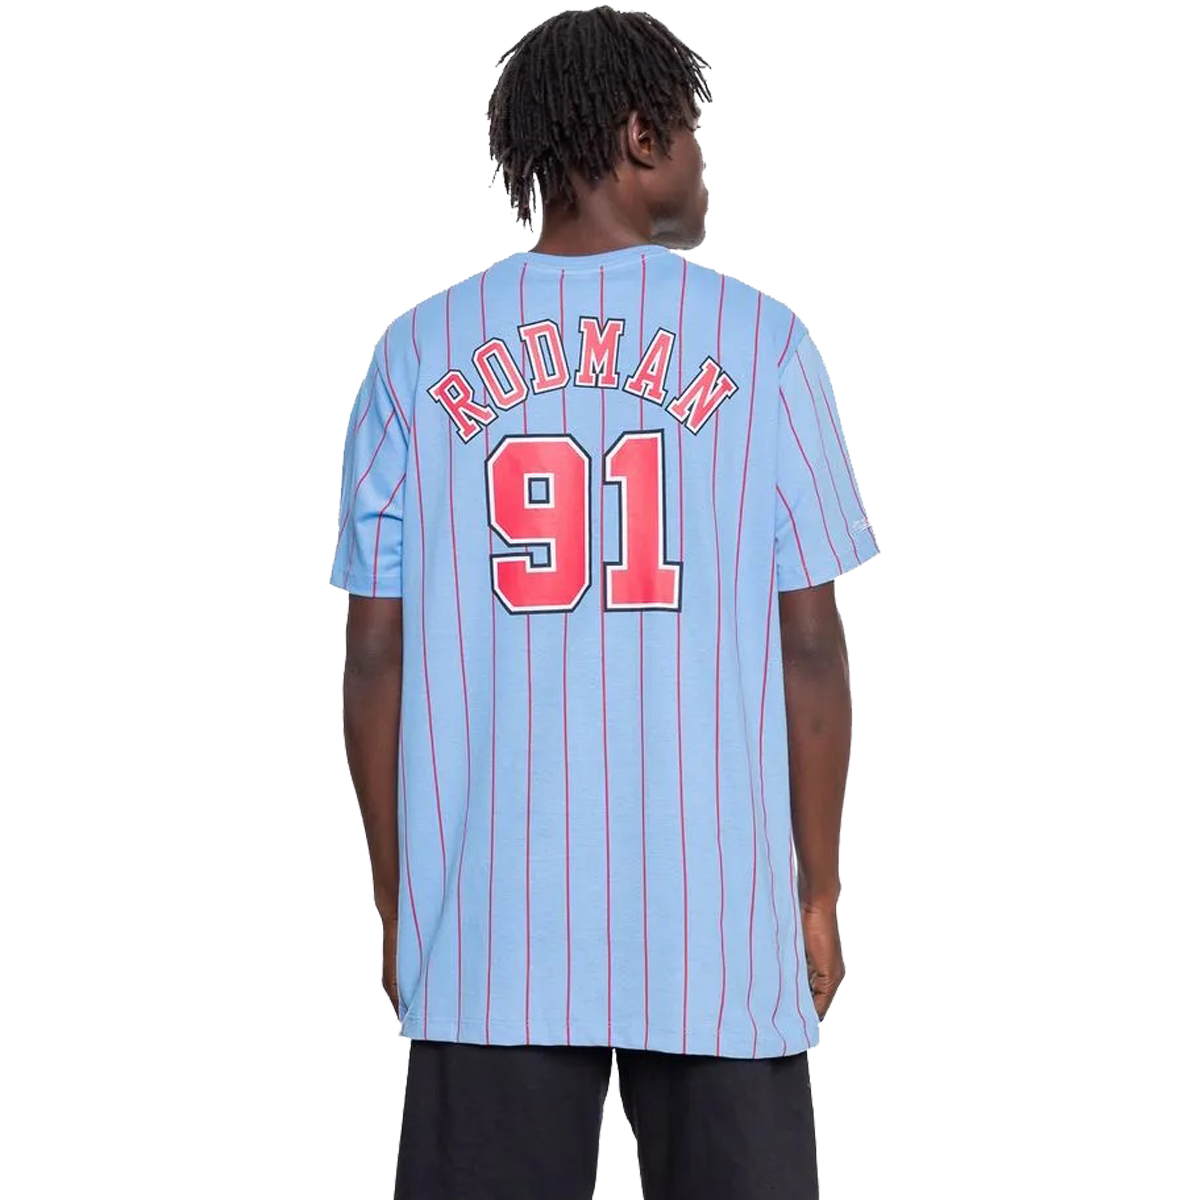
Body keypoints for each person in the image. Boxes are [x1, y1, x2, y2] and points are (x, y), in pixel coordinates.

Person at [330, 7, 879, 1197]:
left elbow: (375, 657)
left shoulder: (417, 353)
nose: (704, 162)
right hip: (717, 927)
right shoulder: (764, 345)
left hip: (490, 926)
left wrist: (396, 895)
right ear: (639, 137)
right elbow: (810, 646)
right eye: (689, 132)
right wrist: (819, 889)